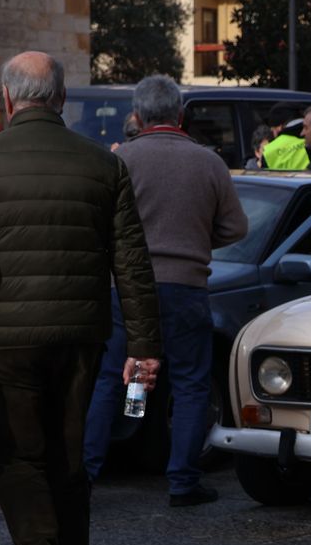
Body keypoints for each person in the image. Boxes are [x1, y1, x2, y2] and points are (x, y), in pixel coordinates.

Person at [0, 52, 162, 545]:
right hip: (81, 331)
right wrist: (143, 345)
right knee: (70, 456)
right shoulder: (103, 166)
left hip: (7, 332)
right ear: (62, 98)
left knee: (18, 456)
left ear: (8, 97)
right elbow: (132, 264)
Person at [84, 75, 248, 506]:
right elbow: (236, 226)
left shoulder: (122, 159)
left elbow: (98, 223)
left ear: (136, 116)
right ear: (181, 114)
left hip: (127, 285)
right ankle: (182, 481)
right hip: (186, 286)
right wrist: (193, 240)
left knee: (113, 377)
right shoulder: (208, 162)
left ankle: (86, 472)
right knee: (191, 383)